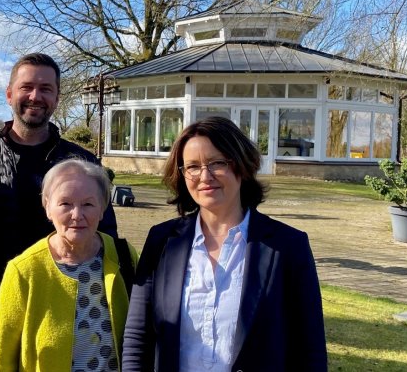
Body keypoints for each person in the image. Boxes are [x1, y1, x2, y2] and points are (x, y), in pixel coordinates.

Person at [121, 116, 327, 372]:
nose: (204, 176)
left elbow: (310, 349)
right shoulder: (161, 241)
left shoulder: (288, 246)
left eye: (217, 163)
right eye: (192, 166)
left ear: (241, 165)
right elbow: (138, 339)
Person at [0, 53, 118, 367]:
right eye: (27, 87)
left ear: (57, 98)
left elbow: (106, 237)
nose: (36, 96)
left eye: (46, 89)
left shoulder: (83, 164)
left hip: (62, 318)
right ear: (9, 94)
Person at [0, 159, 136, 371]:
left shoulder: (124, 256)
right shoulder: (23, 270)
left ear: (102, 208)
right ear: (48, 207)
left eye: (88, 204)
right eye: (65, 204)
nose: (77, 215)